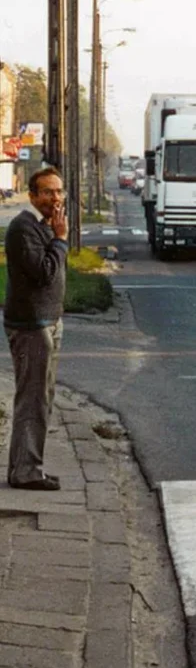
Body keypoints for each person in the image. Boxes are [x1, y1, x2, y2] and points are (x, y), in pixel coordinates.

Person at [4, 168, 69, 491]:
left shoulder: (41, 226)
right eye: (47, 193)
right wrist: (60, 239)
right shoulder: (23, 228)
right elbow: (43, 273)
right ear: (32, 196)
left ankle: (26, 466)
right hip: (31, 325)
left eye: (59, 192)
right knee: (32, 399)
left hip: (48, 321)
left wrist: (56, 237)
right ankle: (26, 471)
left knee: (42, 397)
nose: (54, 199)